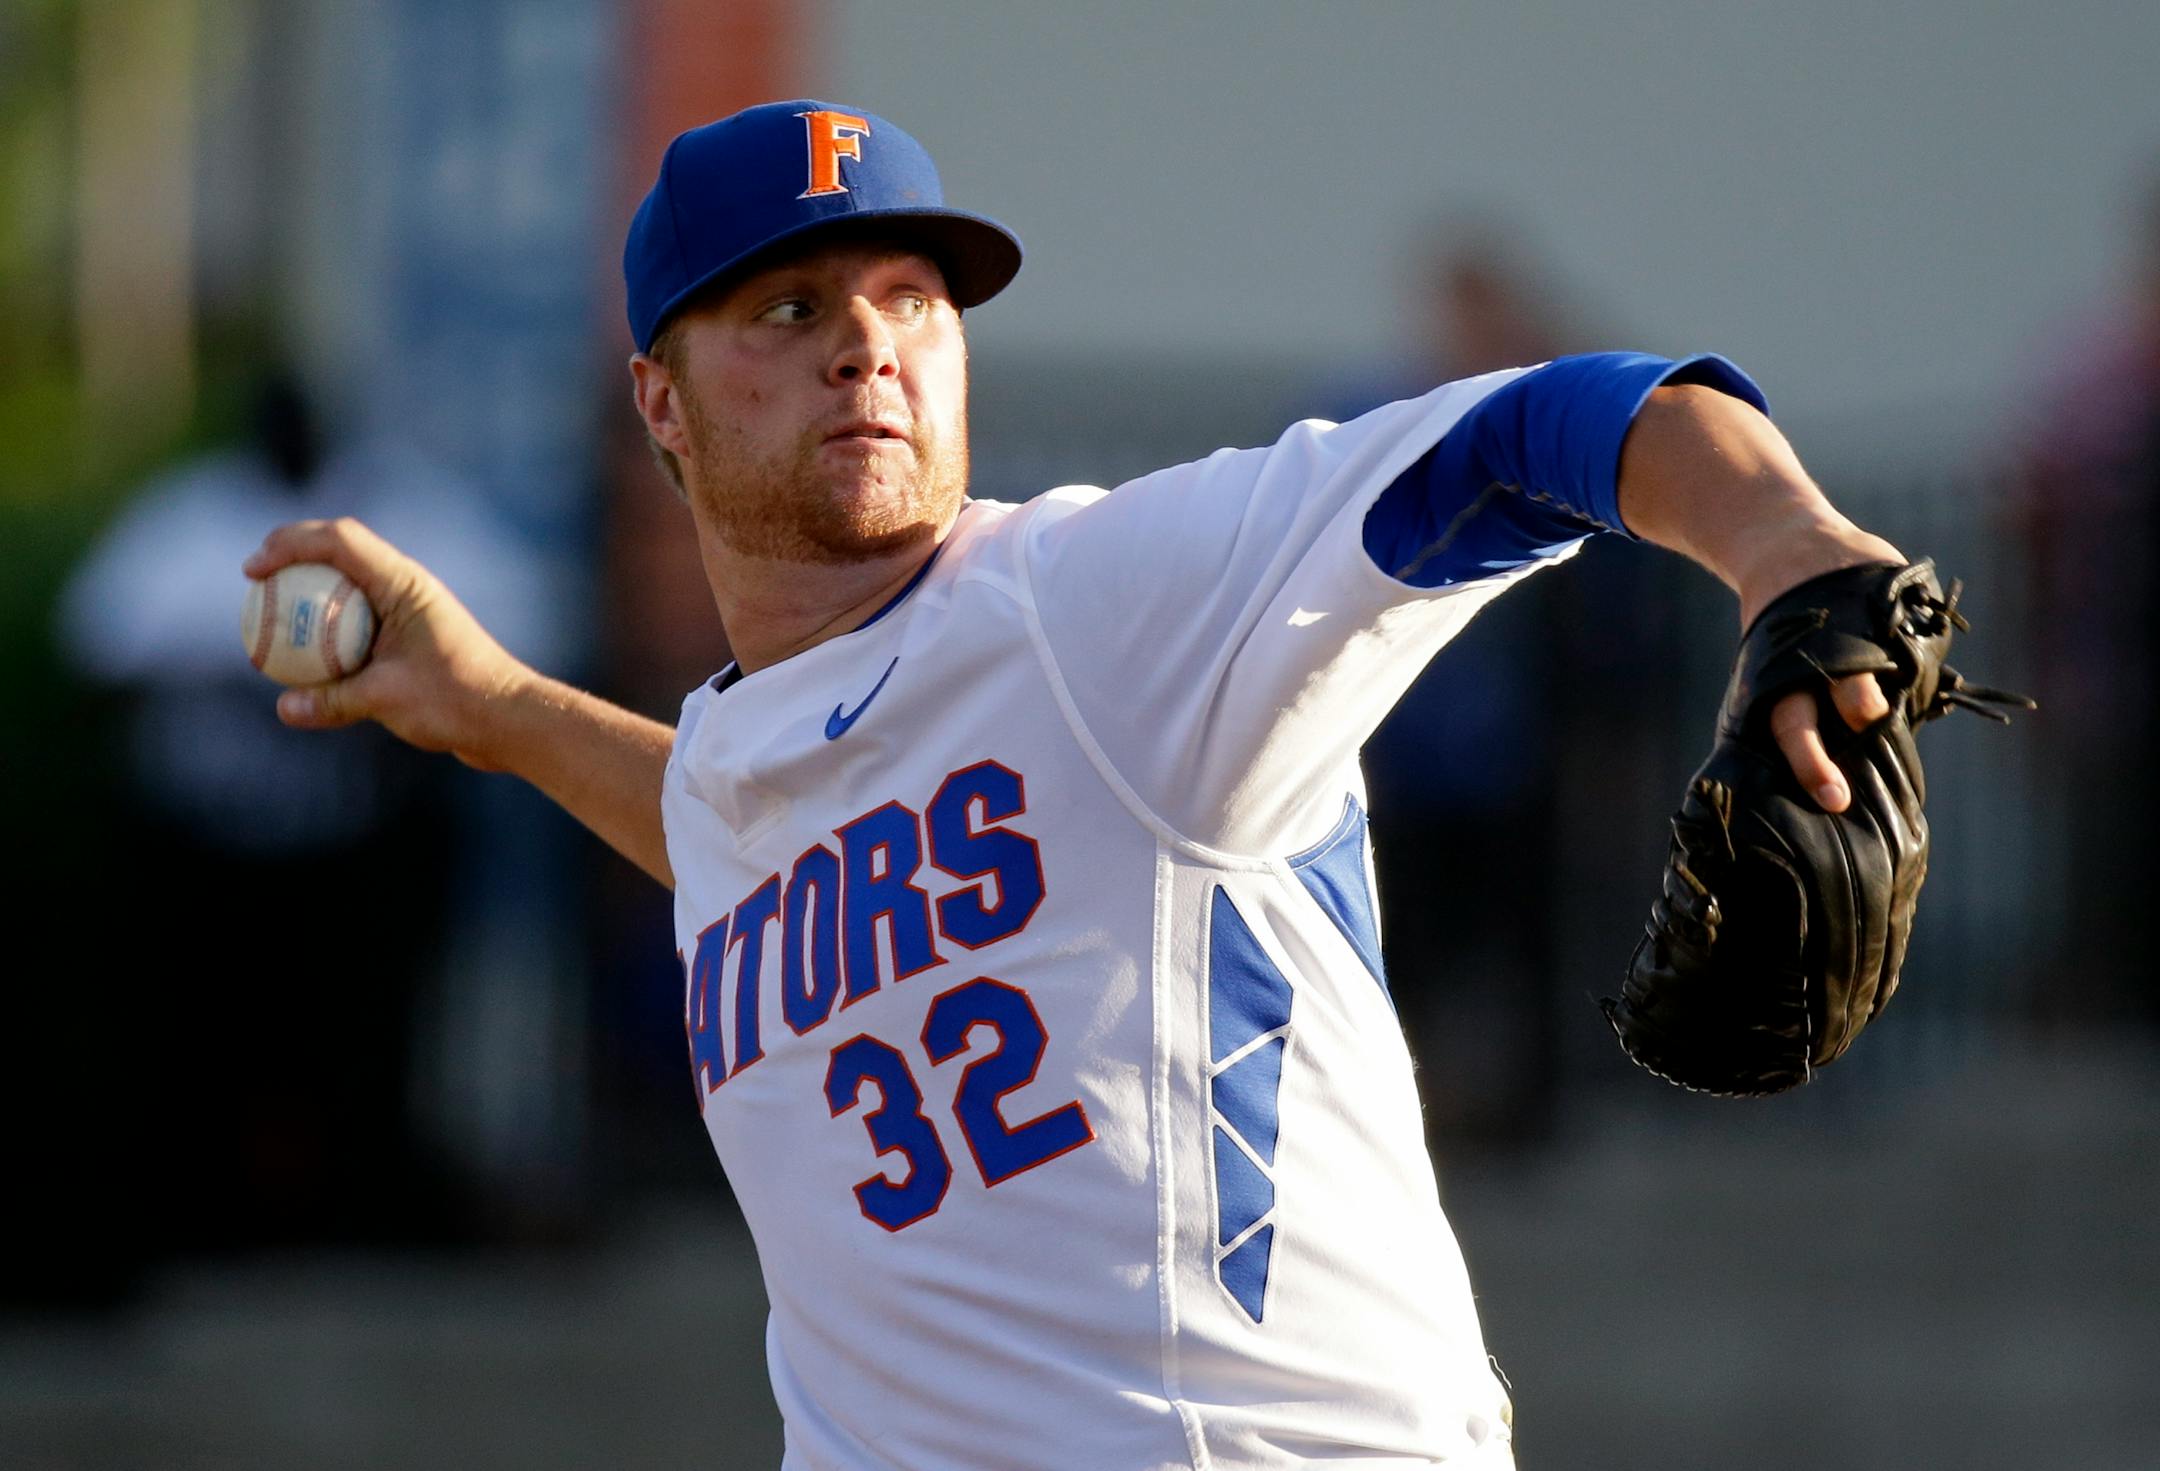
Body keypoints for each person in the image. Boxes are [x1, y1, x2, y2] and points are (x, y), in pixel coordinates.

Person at [248, 101, 1905, 1468]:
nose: (867, 350)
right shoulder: (750, 763)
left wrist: (1789, 549)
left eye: (911, 299)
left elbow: (1548, 424)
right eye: (791, 309)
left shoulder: (1106, 603)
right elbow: (745, 837)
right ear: (659, 405)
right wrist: (500, 708)